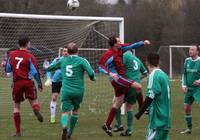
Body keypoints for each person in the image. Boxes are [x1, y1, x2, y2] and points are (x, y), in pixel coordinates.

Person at [98, 36, 150, 136]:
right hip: (118, 79)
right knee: (138, 87)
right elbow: (100, 66)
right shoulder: (109, 54)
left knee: (118, 102)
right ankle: (142, 108)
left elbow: (131, 45)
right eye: (118, 41)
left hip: (118, 80)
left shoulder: (120, 49)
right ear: (114, 44)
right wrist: (109, 73)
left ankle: (107, 125)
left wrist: (143, 43)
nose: (121, 42)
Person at [46, 42, 95, 140]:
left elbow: (50, 68)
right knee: (75, 111)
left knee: (65, 112)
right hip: (78, 91)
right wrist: (92, 78)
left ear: (67, 51)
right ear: (78, 51)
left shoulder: (62, 60)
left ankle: (64, 127)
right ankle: (69, 133)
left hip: (66, 91)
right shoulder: (82, 61)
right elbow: (91, 73)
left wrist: (49, 67)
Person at [5, 36, 43, 137]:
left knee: (16, 107)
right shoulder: (30, 56)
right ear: (27, 44)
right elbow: (35, 72)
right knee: (34, 101)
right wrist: (39, 83)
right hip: (28, 82)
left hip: (17, 83)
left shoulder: (12, 55)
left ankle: (18, 132)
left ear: (19, 44)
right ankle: (35, 109)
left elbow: (8, 69)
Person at [135, 53, 171, 140]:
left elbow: (150, 96)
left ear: (147, 63)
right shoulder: (164, 75)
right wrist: (149, 108)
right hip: (165, 117)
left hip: (157, 119)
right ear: (159, 62)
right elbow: (159, 96)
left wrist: (140, 112)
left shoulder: (153, 75)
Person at [114, 50, 148, 136]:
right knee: (129, 107)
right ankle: (129, 130)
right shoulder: (137, 59)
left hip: (126, 84)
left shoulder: (125, 56)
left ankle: (119, 125)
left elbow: (119, 68)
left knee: (115, 103)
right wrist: (136, 78)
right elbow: (145, 73)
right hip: (136, 85)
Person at [45, 48, 68, 123]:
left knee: (65, 99)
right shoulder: (57, 60)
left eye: (67, 51)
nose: (66, 52)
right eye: (64, 51)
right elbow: (49, 69)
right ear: (62, 52)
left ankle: (67, 117)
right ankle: (52, 118)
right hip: (56, 81)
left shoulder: (72, 61)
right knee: (54, 97)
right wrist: (49, 78)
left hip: (66, 81)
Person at [180, 45, 200, 134]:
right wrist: (183, 85)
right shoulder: (187, 60)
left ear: (197, 51)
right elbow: (184, 74)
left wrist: (199, 80)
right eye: (189, 49)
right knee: (186, 108)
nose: (190, 51)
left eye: (192, 49)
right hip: (189, 89)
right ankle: (189, 128)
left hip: (198, 89)